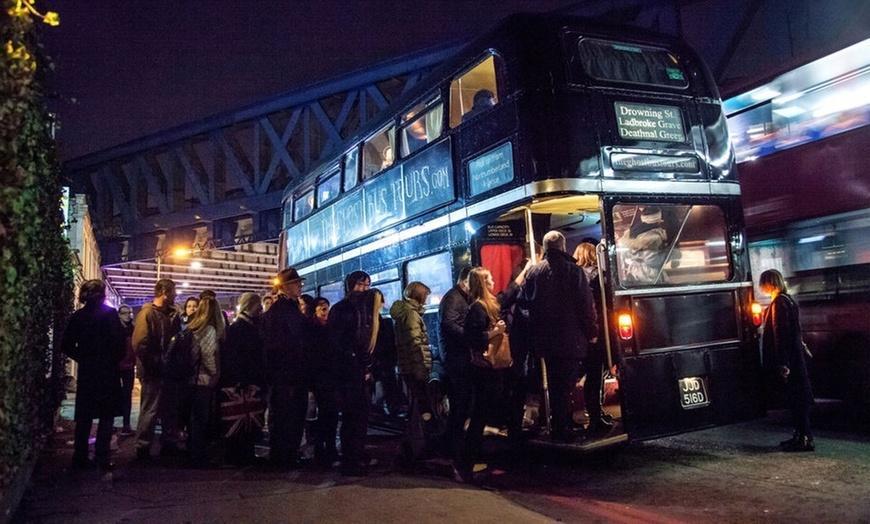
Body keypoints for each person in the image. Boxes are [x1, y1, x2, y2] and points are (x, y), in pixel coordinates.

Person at [517, 231, 597, 443]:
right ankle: (562, 429)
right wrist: (592, 333)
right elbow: (585, 306)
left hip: (543, 341)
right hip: (571, 339)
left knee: (553, 384)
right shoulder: (574, 271)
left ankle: (557, 424)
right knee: (565, 386)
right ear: (562, 247)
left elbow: (522, 304)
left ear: (545, 248)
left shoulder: (533, 273)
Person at [61, 280, 125, 471]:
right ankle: (101, 456)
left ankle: (80, 457)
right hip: (107, 371)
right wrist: (112, 359)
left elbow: (66, 345)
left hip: (88, 372)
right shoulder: (110, 315)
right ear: (102, 294)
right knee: (106, 415)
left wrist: (83, 358)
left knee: (85, 417)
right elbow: (120, 344)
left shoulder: (78, 317)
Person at [454, 268, 507, 483]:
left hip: (488, 369)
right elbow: (473, 337)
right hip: (483, 369)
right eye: (489, 279)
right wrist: (495, 332)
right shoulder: (476, 307)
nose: (494, 280)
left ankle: (468, 461)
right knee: (478, 416)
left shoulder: (485, 305)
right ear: (482, 284)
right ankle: (465, 465)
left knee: (480, 415)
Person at [327, 287, 383, 476]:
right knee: (355, 418)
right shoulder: (360, 320)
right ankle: (351, 461)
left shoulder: (359, 317)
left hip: (353, 374)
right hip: (353, 376)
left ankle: (353, 457)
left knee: (355, 418)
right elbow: (356, 347)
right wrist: (365, 367)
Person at [261, 267, 312, 469]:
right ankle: (285, 456)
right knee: (288, 416)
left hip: (287, 375)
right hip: (289, 375)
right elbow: (283, 345)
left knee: (286, 416)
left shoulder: (283, 310)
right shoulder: (283, 311)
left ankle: (286, 454)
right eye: (296, 283)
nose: (300, 286)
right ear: (286, 287)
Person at [759, 269, 815, 452]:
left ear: (770, 283)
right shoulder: (789, 300)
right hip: (796, 357)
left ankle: (805, 438)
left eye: (763, 283)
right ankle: (800, 436)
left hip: (790, 360)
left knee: (797, 399)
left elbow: (780, 333)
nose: (761, 287)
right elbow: (795, 330)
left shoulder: (778, 303)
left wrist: (783, 363)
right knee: (799, 399)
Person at [133, 278, 183, 460]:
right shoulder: (147, 314)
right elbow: (140, 343)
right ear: (164, 292)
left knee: (168, 409)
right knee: (151, 409)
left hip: (167, 370)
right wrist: (154, 363)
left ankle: (166, 444)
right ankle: (143, 447)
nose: (175, 295)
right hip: (154, 371)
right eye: (173, 292)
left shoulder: (170, 314)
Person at [220, 292, 268, 466]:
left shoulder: (243, 326)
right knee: (243, 418)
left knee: (248, 419)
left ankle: (244, 452)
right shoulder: (240, 328)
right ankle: (239, 454)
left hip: (249, 380)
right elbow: (237, 357)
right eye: (258, 305)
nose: (261, 308)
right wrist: (242, 380)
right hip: (246, 381)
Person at [391, 281, 434, 465]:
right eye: (425, 296)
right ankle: (417, 448)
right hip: (414, 368)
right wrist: (421, 370)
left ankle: (410, 447)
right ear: (419, 296)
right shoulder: (412, 315)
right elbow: (415, 344)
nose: (426, 300)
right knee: (420, 408)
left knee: (415, 408)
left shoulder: (405, 313)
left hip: (407, 367)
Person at [573, 242, 613, 433]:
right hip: (598, 330)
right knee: (597, 373)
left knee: (592, 372)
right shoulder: (598, 275)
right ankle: (596, 413)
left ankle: (594, 411)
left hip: (580, 333)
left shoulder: (575, 275)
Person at [184, 296, 224, 467]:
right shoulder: (208, 330)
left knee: (194, 420)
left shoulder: (192, 327)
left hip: (191, 379)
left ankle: (192, 453)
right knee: (202, 421)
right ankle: (200, 457)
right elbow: (208, 356)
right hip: (203, 381)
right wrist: (215, 375)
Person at [439, 266, 473, 458]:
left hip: (458, 356)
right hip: (455, 357)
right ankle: (453, 446)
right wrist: (473, 336)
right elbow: (449, 324)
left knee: (462, 402)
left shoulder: (459, 297)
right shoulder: (453, 298)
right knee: (460, 402)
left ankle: (452, 443)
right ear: (463, 282)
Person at [620, 206, 670, 285]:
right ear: (658, 218)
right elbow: (651, 260)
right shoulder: (653, 237)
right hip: (648, 275)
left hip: (634, 272)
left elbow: (624, 253)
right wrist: (667, 255)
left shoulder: (632, 232)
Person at [117, 304, 136, 436]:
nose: (128, 315)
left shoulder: (134, 329)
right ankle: (111, 423)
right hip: (116, 366)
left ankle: (126, 423)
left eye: (129, 313)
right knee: (113, 394)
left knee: (127, 395)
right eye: (125, 313)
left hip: (128, 366)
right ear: (119, 314)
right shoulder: (114, 329)